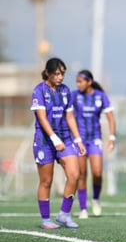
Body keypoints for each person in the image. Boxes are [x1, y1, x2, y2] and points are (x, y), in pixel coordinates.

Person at [31, 57, 86, 229]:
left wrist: (77, 140)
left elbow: (69, 116)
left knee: (75, 174)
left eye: (62, 73)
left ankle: (64, 214)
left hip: (66, 139)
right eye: (56, 74)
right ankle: (45, 219)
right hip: (45, 141)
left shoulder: (65, 91)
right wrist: (54, 139)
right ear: (47, 73)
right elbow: (41, 117)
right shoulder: (38, 91)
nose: (60, 77)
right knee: (46, 181)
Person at [72, 70, 116, 218]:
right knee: (82, 174)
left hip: (95, 139)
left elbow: (110, 117)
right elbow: (67, 114)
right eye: (77, 82)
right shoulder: (75, 96)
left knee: (97, 172)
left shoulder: (100, 96)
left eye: (81, 81)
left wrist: (111, 137)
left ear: (89, 81)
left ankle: (96, 199)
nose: (78, 84)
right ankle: (83, 208)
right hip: (80, 141)